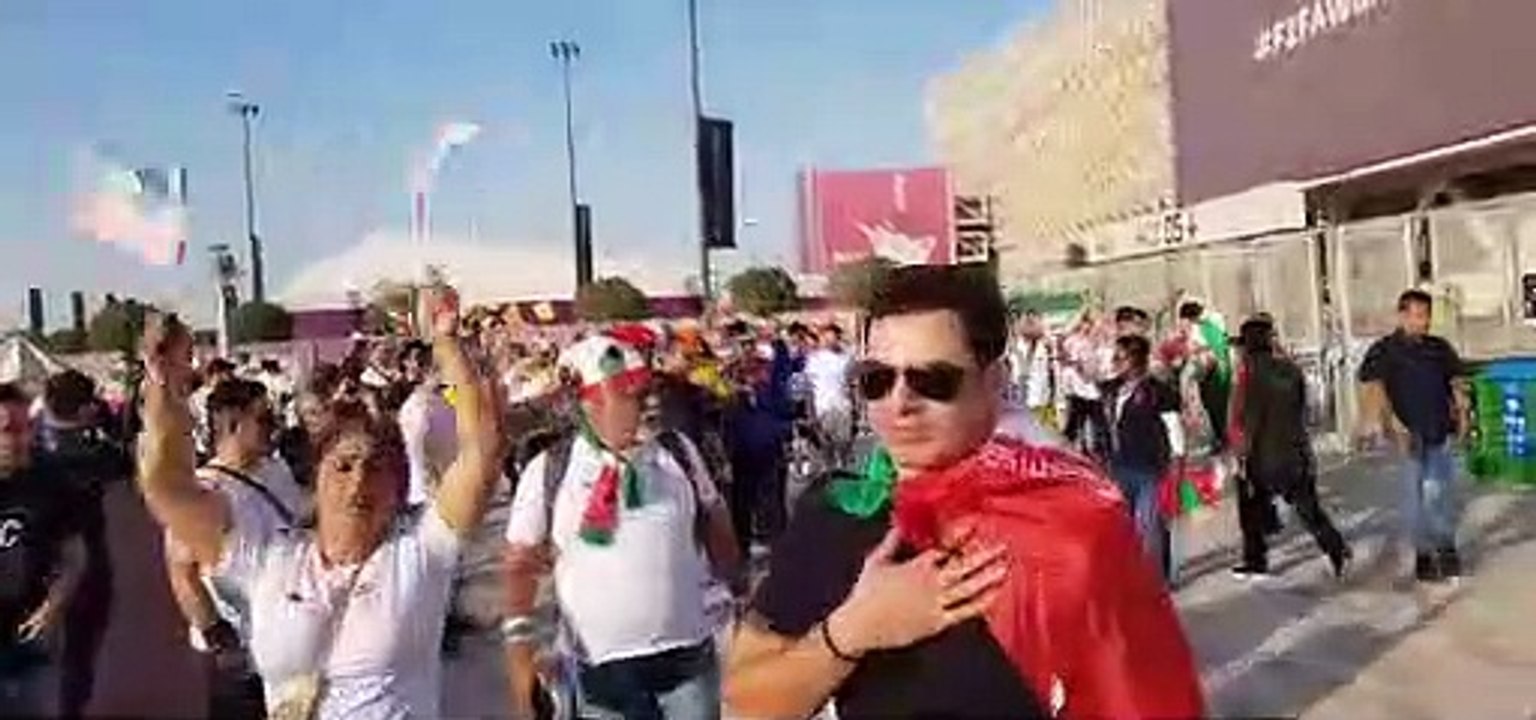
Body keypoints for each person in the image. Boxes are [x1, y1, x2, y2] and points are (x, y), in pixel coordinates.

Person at [724, 265, 1203, 719]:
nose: (900, 402)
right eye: (876, 380)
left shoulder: (1072, 520)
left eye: (933, 380)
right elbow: (746, 703)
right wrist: (855, 629)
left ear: (992, 382)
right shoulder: (835, 512)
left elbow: (1148, 699)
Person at [135, 293, 506, 719]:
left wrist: (446, 342)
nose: (359, 481)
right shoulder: (270, 560)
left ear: (399, 487)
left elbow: (484, 446)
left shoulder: (421, 551)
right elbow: (167, 488)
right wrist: (162, 384)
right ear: (316, 478)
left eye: (377, 468)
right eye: (343, 467)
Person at [503, 331, 742, 720]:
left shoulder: (677, 451)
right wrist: (520, 657)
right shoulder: (548, 470)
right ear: (588, 403)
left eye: (649, 389)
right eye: (630, 392)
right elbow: (519, 565)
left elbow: (716, 521)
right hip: (600, 673)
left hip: (689, 661)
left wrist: (735, 597)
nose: (649, 402)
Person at [162, 378, 307, 720]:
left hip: (288, 640)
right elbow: (181, 571)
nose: (274, 428)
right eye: (265, 420)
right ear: (232, 425)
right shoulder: (205, 491)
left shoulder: (275, 469)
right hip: (243, 653)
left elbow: (299, 516)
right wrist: (218, 637)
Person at [35, 370, 132, 718]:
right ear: (86, 408)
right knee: (79, 651)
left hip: (35, 563)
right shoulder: (93, 451)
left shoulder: (29, 443)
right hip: (88, 562)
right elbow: (126, 463)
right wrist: (108, 423)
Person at [1357, 289, 1470, 582]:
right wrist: (1389, 423)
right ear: (1403, 315)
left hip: (1438, 429)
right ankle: (1423, 555)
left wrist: (1462, 410)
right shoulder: (1385, 350)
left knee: (1440, 494)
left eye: (1427, 315)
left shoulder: (1438, 348)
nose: (1423, 322)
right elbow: (1373, 387)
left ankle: (1446, 548)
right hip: (1406, 434)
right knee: (1415, 499)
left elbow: (1456, 379)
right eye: (1418, 315)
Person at [1229, 316, 1351, 579]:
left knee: (1249, 507)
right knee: (1309, 509)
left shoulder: (1248, 375)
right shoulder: (1291, 370)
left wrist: (1242, 456)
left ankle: (1256, 559)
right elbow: (1303, 409)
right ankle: (1335, 548)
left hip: (1263, 456)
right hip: (1296, 451)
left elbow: (1248, 419)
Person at [0, 383, 88, 717]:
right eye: (9, 430)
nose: (21, 439)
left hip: (30, 639)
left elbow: (74, 554)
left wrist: (53, 607)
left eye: (27, 429)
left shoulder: (49, 480)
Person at [1100, 335, 1183, 582]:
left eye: (1120, 357)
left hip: (1149, 468)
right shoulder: (1110, 390)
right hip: (1118, 466)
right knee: (1123, 528)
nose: (1115, 362)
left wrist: (1177, 467)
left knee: (1149, 529)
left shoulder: (1158, 392)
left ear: (1136, 361)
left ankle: (1156, 581)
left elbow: (1174, 431)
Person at [803, 323, 855, 470]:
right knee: (826, 448)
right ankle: (829, 477)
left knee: (844, 446)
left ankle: (843, 475)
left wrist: (856, 410)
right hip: (822, 409)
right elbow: (809, 389)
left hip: (843, 408)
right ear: (822, 338)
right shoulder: (813, 360)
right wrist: (810, 413)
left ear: (838, 338)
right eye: (826, 337)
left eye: (833, 336)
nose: (830, 340)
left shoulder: (847, 359)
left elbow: (853, 386)